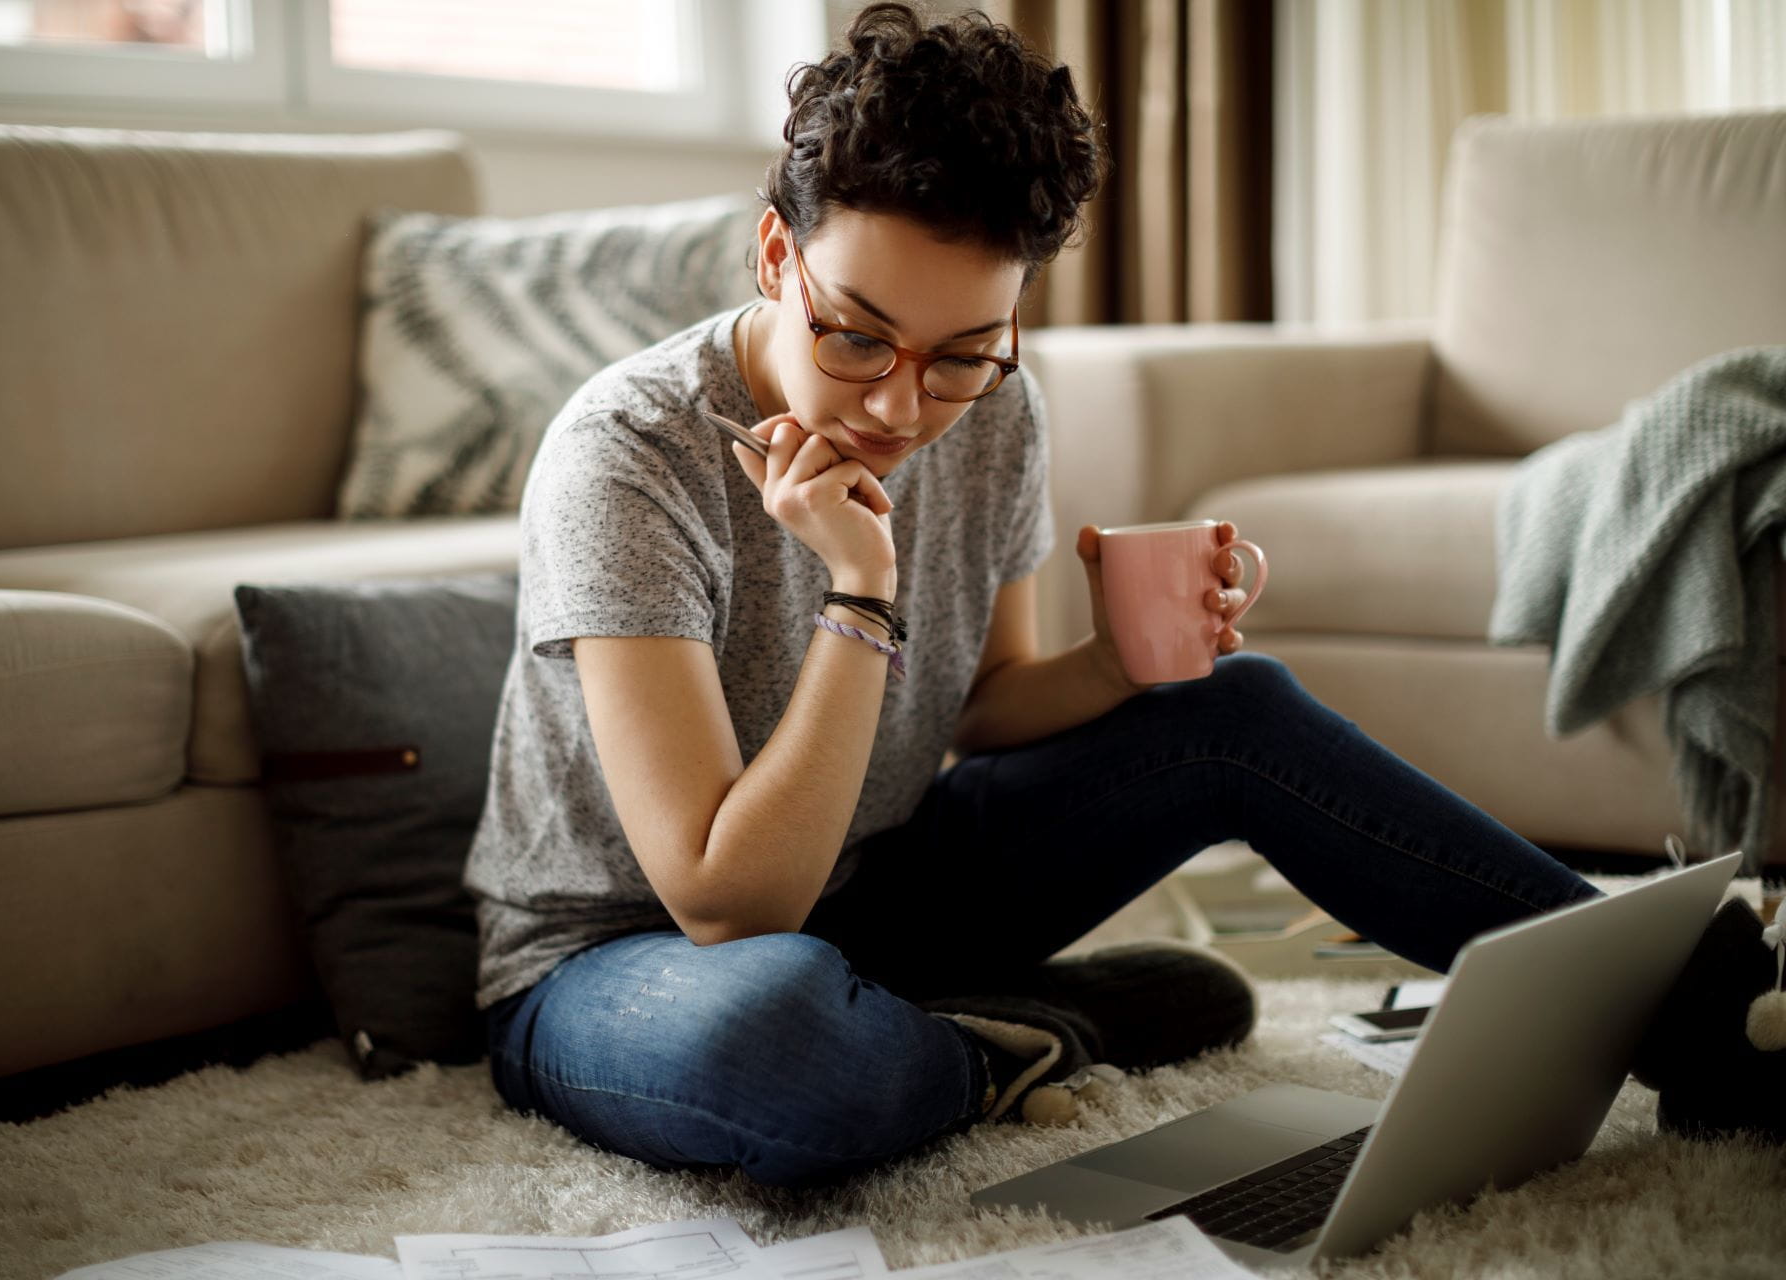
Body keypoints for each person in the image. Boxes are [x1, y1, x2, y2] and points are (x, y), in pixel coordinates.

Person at [464, 4, 1771, 1187]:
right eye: (854, 333)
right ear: (773, 254)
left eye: (964, 352)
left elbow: (980, 710)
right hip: (620, 961)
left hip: (881, 887)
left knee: (1235, 705)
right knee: (783, 1051)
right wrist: (860, 593)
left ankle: (1696, 1009)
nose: (899, 405)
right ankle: (1029, 1032)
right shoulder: (628, 453)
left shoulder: (994, 412)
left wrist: (1124, 669)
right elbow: (725, 902)